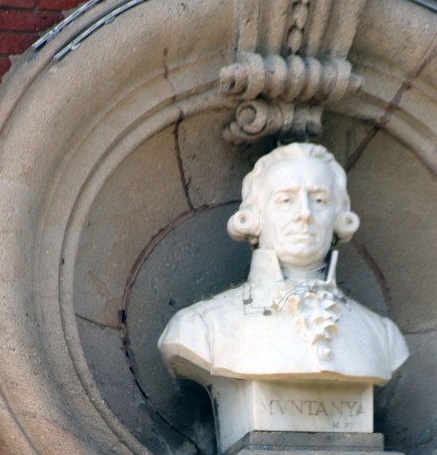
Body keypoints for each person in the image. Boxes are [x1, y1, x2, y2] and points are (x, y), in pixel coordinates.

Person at [158, 143, 408, 386]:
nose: (304, 213)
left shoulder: (383, 336)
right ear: (255, 217)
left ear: (339, 217)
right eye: (286, 200)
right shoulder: (201, 327)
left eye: (319, 200)